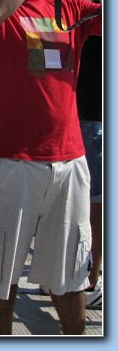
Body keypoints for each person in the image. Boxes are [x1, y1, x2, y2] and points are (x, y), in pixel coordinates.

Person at [0, 0, 102, 335]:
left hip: (69, 157)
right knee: (2, 262)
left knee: (71, 267)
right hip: (14, 159)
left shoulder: (71, 10)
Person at [77, 34, 102, 308]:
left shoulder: (83, 18)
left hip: (75, 116)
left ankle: (56, 275)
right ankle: (91, 282)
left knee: (72, 203)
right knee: (97, 206)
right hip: (95, 121)